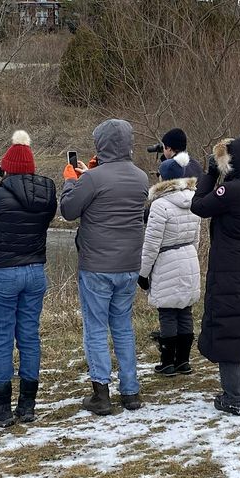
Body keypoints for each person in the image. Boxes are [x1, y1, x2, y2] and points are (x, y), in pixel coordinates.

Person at [0, 131, 58, 427]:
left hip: (1, 274)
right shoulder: (48, 193)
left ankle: (3, 409)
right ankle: (27, 406)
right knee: (29, 336)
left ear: (7, 168)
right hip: (34, 272)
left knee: (2, 339)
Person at [60, 119, 150, 415]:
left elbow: (69, 211)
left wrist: (71, 181)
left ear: (101, 144)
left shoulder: (92, 179)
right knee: (123, 327)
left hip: (97, 265)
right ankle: (131, 391)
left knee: (96, 328)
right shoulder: (141, 178)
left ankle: (101, 393)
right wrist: (90, 176)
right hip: (129, 265)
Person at [191, 136, 240, 415]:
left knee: (228, 327)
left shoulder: (233, 190)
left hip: (228, 265)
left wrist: (211, 173)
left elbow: (198, 206)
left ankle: (234, 396)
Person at [139, 158, 201, 376]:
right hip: (189, 257)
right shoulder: (194, 200)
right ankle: (183, 361)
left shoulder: (159, 205)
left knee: (167, 312)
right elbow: (196, 238)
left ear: (163, 178)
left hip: (166, 259)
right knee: (185, 310)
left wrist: (143, 273)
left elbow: (151, 244)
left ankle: (167, 363)